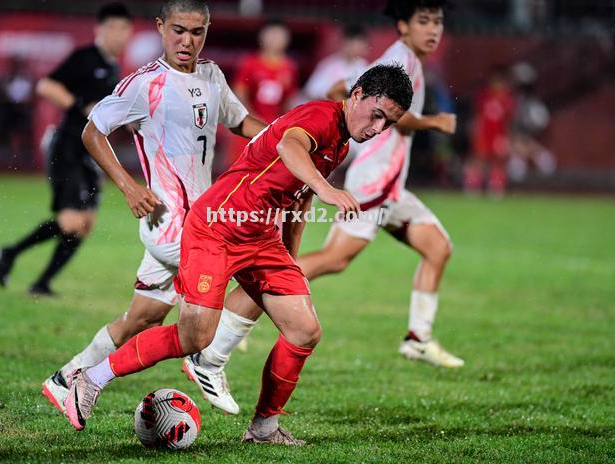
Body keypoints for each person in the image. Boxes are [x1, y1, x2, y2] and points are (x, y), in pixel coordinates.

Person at [63, 63, 413, 446]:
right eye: (377, 115)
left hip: (261, 237)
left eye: (389, 123)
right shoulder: (319, 116)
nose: (378, 129)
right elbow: (289, 147)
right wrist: (330, 191)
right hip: (216, 228)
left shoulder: (342, 141)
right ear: (358, 94)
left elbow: (302, 194)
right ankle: (90, 379)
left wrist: (291, 255)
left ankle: (263, 428)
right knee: (195, 336)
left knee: (304, 330)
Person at [184, 0, 463, 388]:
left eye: (438, 22)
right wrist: (433, 121)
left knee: (438, 248)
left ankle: (418, 338)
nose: (433, 30)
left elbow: (355, 98)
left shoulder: (407, 65)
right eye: (424, 21)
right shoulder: (400, 62)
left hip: (392, 185)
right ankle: (228, 329)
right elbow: (348, 99)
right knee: (327, 261)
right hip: (372, 184)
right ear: (402, 25)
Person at [41, 0, 265, 417]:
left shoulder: (211, 74)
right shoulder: (144, 84)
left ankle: (66, 378)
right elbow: (94, 132)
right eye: (178, 30)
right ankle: (207, 361)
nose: (187, 40)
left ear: (207, 31)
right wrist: (128, 186)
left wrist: (281, 136)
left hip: (200, 219)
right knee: (263, 273)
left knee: (142, 317)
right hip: (172, 226)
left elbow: (239, 122)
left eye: (197, 32)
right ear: (161, 27)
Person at [0, 3, 133, 296]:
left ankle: (41, 283)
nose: (119, 34)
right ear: (100, 29)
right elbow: (46, 86)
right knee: (71, 221)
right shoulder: (85, 58)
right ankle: (10, 252)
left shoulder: (113, 67)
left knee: (86, 223)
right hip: (67, 146)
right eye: (113, 27)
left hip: (91, 152)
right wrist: (81, 106)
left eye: (124, 29)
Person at [228, 19, 299, 162]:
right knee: (240, 166)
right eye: (271, 35)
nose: (275, 40)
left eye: (279, 36)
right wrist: (252, 118)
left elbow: (289, 100)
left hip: (273, 127)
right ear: (262, 37)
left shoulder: (290, 67)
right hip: (248, 123)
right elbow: (239, 93)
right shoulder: (250, 63)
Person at [464, 67, 516, 196]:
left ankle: (496, 185)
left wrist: (507, 138)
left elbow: (508, 122)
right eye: (494, 81)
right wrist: (475, 132)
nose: (497, 84)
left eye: (499, 82)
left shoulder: (507, 99)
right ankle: (473, 184)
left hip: (498, 135)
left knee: (497, 161)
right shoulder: (484, 96)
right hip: (484, 134)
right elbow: (478, 117)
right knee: (478, 159)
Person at [302, 24, 368, 102]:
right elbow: (311, 91)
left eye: (358, 43)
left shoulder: (365, 68)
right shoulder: (328, 65)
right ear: (343, 43)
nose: (354, 47)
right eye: (351, 43)